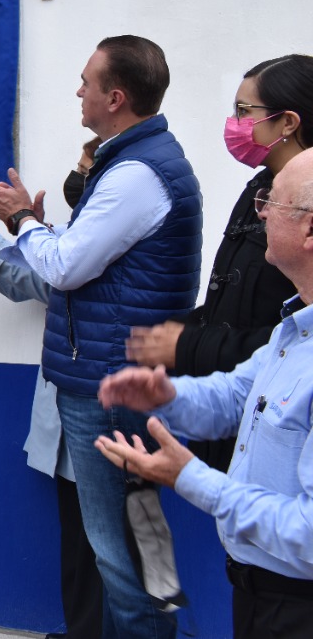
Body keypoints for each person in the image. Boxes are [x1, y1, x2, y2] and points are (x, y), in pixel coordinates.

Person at [0, 36, 202, 639]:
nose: (78, 91)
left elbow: (66, 267)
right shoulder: (137, 161)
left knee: (115, 549)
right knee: (138, 536)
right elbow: (78, 265)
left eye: (86, 82)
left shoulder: (136, 173)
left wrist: (20, 219)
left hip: (106, 386)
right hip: (118, 378)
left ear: (116, 97)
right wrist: (28, 227)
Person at [95, 145, 313, 639]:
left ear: (310, 230)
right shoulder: (294, 328)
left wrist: (190, 477)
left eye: (271, 203)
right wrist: (165, 397)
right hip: (258, 589)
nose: (258, 213)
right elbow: (237, 395)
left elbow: (308, 535)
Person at [0, 137, 103, 639]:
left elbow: (46, 282)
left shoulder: (113, 234)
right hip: (78, 415)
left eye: (86, 169)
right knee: (83, 544)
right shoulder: (80, 234)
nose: (76, 180)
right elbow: (44, 276)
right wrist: (23, 234)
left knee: (113, 547)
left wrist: (15, 232)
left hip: (105, 413)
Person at [126, 55, 310, 471]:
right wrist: (184, 332)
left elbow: (293, 341)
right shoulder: (260, 188)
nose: (235, 123)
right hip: (240, 421)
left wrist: (189, 345)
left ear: (288, 123)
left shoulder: (303, 207)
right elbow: (238, 301)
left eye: (245, 112)